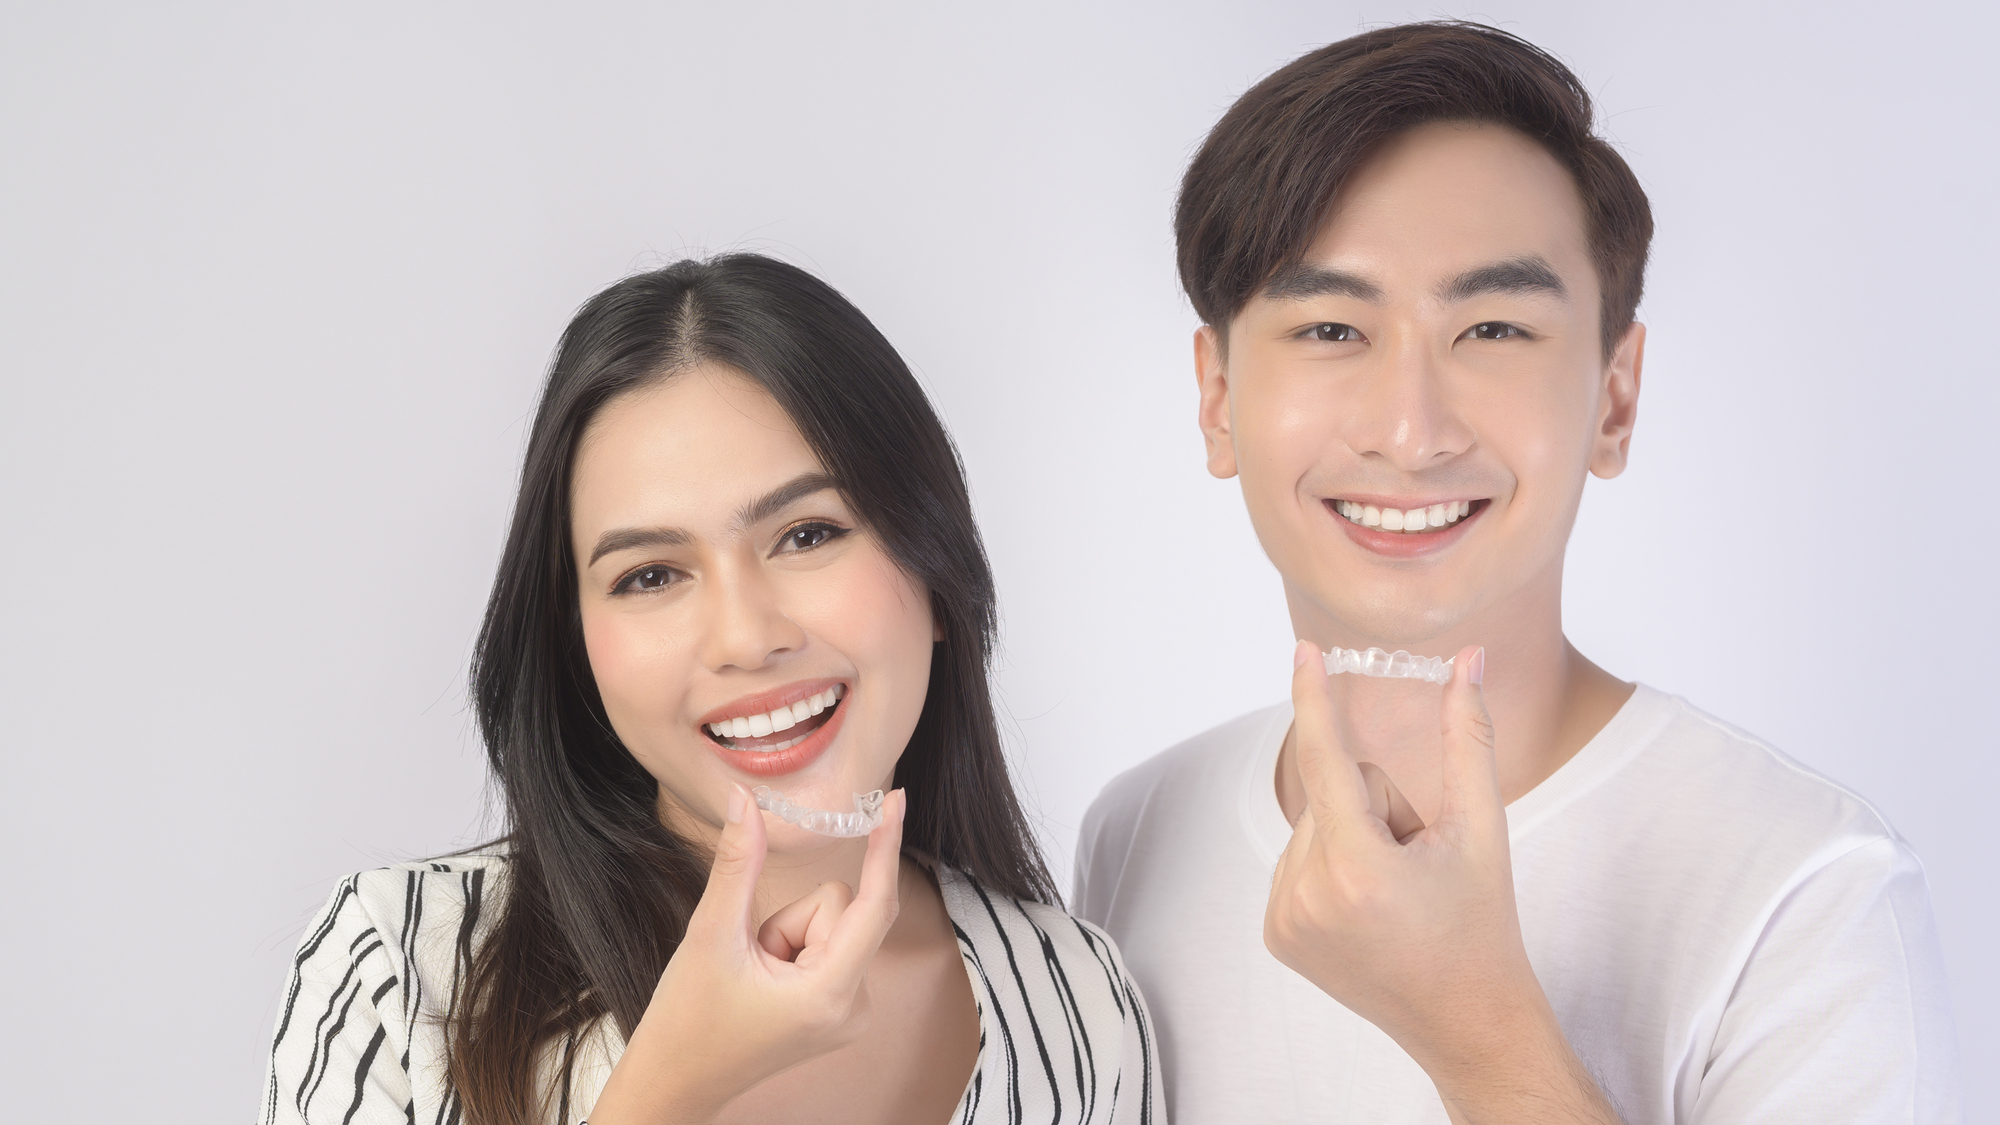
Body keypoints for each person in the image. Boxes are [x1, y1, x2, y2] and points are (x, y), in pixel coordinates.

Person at [1074, 21, 1959, 1125]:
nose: (1409, 429)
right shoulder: (1138, 834)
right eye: (1329, 330)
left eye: (1491, 327)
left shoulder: (1807, 891)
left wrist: (1479, 1031)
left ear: (1613, 397)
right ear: (1215, 400)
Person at [262, 254, 1162, 1125]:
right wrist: (672, 1090)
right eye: (651, 576)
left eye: (808, 533)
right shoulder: (401, 970)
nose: (744, 637)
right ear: (576, 646)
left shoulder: (1081, 1003)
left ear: (937, 570)